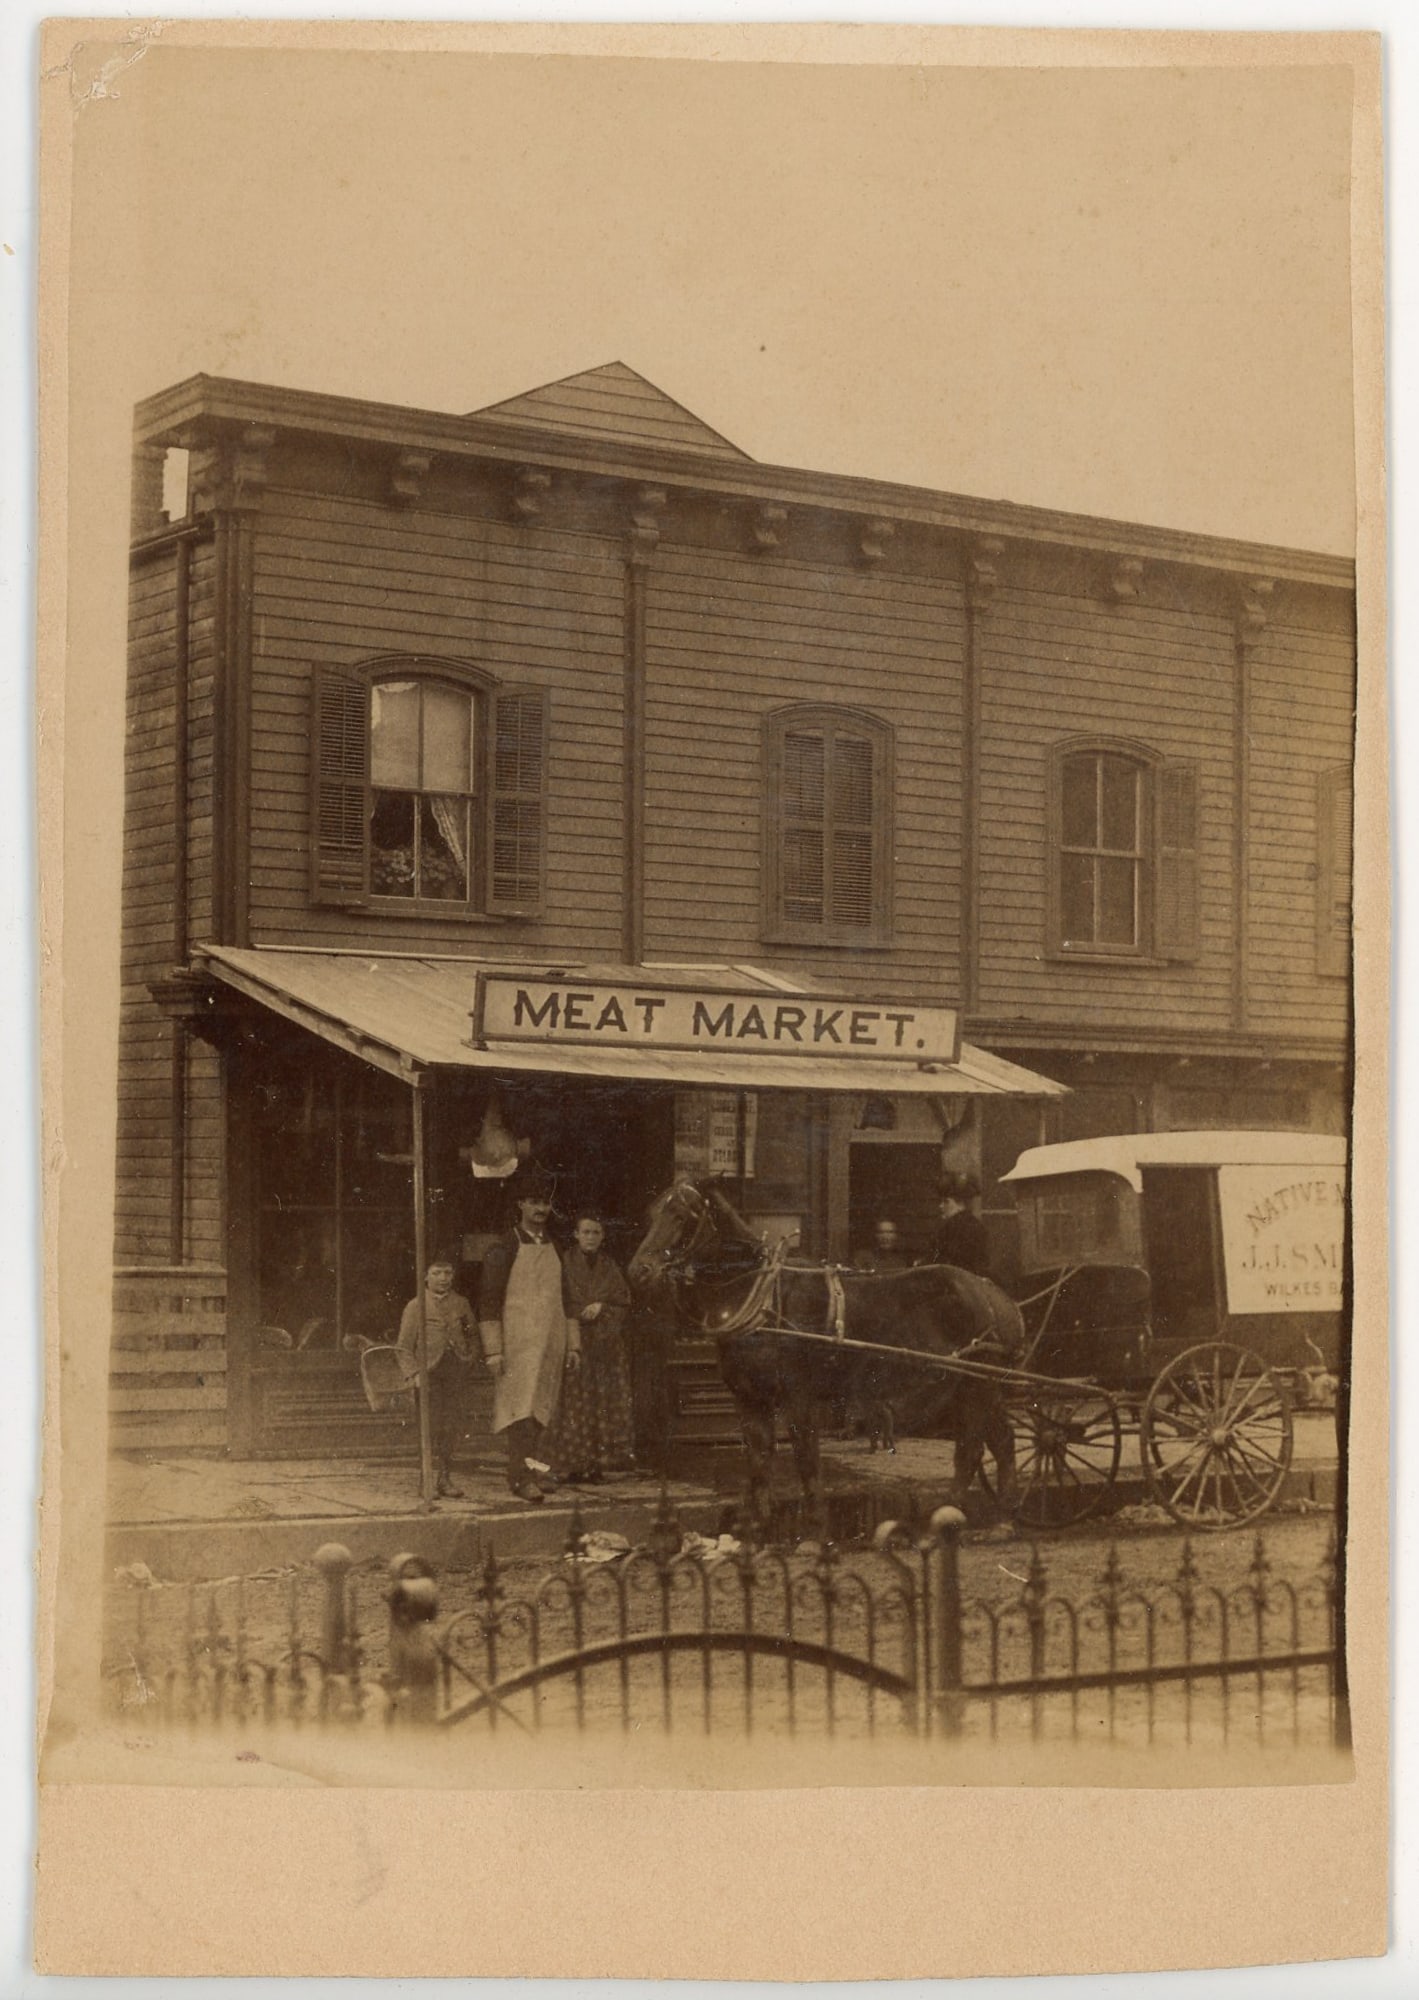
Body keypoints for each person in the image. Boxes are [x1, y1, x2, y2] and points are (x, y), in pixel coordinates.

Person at [477, 1167, 580, 1504]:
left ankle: (533, 1468)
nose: (541, 1210)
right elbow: (489, 1301)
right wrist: (493, 1349)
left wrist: (573, 1343)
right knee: (518, 1410)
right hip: (516, 1345)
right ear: (521, 1205)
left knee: (541, 1408)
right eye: (534, 1202)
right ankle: (519, 1478)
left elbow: (568, 1298)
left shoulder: (556, 1246)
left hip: (550, 1341)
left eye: (546, 1204)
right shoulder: (504, 1247)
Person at [543, 1213, 637, 1483]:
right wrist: (576, 1313)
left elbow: (623, 1302)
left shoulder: (610, 1266)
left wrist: (603, 1307)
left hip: (606, 1345)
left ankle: (596, 1464)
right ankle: (572, 1464)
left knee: (603, 1404)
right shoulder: (564, 1263)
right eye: (586, 1232)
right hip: (574, 1342)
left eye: (596, 1232)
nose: (591, 1237)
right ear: (575, 1235)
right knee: (574, 1404)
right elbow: (555, 1299)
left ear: (603, 1236)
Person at [396, 1253, 478, 1499]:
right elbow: (403, 1347)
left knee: (451, 1425)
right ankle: (426, 1480)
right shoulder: (416, 1305)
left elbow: (472, 1335)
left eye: (448, 1273)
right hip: (428, 1373)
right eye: (437, 1273)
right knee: (429, 1426)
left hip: (454, 1372)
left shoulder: (461, 1303)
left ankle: (445, 1477)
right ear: (425, 1276)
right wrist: (414, 1374)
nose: (443, 1279)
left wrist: (468, 1359)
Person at [932, 1172, 991, 1276]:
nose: (941, 1206)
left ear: (960, 1204)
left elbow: (940, 1263)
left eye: (946, 1202)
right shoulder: (979, 1226)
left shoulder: (948, 1229)